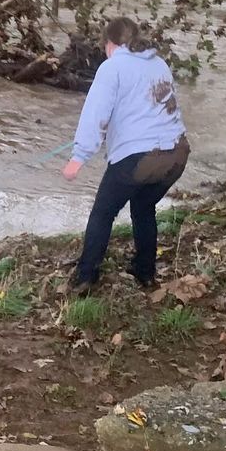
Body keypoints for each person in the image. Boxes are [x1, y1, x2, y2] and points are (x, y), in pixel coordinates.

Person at [62, 16, 190, 291]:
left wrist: (78, 157)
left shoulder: (112, 68)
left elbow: (95, 114)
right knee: (143, 207)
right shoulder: (158, 63)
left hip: (140, 158)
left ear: (109, 44)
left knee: (102, 214)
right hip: (177, 153)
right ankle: (145, 271)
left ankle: (85, 276)